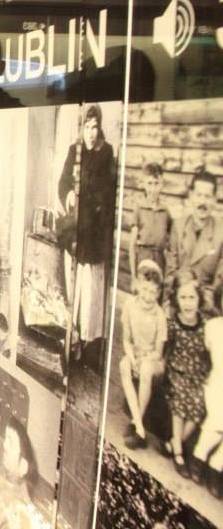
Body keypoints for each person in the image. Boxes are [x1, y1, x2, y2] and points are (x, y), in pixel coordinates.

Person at [57, 103, 117, 367]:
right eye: (87, 127)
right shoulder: (75, 150)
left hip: (94, 233)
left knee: (91, 292)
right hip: (76, 230)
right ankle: (71, 339)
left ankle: (88, 344)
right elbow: (63, 183)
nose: (91, 133)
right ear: (81, 127)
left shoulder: (106, 152)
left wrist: (92, 200)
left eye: (95, 127)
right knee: (73, 288)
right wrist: (70, 194)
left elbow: (108, 190)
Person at [163, 272, 210, 478]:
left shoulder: (205, 324)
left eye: (192, 298)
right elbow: (165, 349)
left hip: (197, 374)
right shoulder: (173, 323)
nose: (188, 303)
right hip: (176, 372)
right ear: (176, 299)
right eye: (183, 297)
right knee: (181, 396)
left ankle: (175, 441)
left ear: (199, 299)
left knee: (200, 402)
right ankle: (178, 453)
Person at [118, 260, 167, 450]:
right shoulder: (130, 306)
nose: (148, 296)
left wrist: (144, 360)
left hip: (153, 360)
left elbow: (159, 352)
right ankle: (139, 427)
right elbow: (126, 340)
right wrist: (132, 357)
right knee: (124, 365)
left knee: (145, 369)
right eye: (145, 290)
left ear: (159, 293)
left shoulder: (159, 315)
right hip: (136, 354)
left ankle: (135, 424)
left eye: (153, 292)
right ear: (138, 285)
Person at [165, 168, 223, 307]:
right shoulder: (179, 226)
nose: (202, 202)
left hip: (207, 303)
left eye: (207, 196)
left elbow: (220, 277)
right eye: (199, 195)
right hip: (179, 299)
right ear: (191, 196)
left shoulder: (221, 231)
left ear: (214, 199)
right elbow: (171, 270)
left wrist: (205, 297)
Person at [191, 286, 223, 497]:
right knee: (220, 417)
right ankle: (199, 455)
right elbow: (202, 355)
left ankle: (216, 464)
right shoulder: (213, 326)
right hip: (215, 384)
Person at [128, 162, 171, 282]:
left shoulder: (165, 212)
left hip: (160, 262)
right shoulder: (139, 209)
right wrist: (133, 277)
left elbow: (171, 242)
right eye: (149, 183)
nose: (153, 189)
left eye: (156, 183)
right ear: (144, 184)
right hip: (143, 260)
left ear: (162, 185)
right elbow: (132, 246)